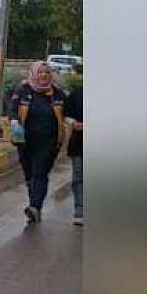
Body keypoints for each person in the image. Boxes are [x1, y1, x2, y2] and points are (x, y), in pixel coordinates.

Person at [7, 61, 67, 222]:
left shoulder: (57, 94)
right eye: (40, 72)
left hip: (49, 142)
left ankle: (35, 207)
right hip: (24, 140)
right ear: (33, 73)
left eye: (46, 72)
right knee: (29, 174)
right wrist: (14, 122)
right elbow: (13, 109)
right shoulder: (23, 90)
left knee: (40, 172)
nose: (43, 75)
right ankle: (35, 202)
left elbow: (67, 113)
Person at [64, 83, 83, 225]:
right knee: (78, 177)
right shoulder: (77, 93)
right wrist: (74, 122)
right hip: (79, 142)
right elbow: (66, 114)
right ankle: (80, 210)